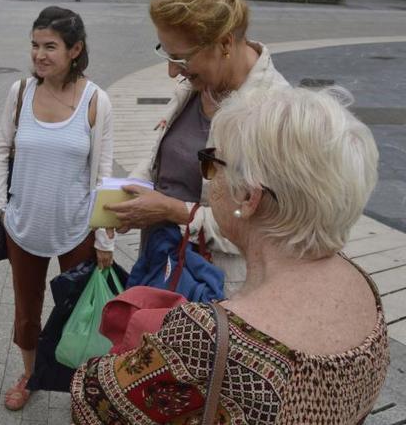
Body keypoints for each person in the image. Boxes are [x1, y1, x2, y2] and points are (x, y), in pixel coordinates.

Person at [72, 86, 389, 423]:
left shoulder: (206, 337)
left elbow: (89, 399)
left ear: (249, 198)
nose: (207, 176)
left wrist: (141, 334)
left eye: (210, 163)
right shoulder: (363, 288)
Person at [105, 0, 288, 295]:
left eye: (180, 59)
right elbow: (162, 159)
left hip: (215, 288)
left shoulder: (274, 114)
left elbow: (262, 228)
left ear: (225, 44)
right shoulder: (199, 84)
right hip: (164, 263)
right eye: (167, 55)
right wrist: (126, 197)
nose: (172, 73)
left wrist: (169, 211)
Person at [0, 6, 114, 411]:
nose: (39, 55)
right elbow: (1, 150)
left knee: (78, 313)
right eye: (34, 45)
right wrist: (1, 208)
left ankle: (80, 384)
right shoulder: (21, 92)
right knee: (27, 313)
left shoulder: (97, 101)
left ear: (75, 49)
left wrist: (105, 237)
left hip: (76, 228)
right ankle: (30, 375)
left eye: (50, 46)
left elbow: (104, 175)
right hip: (23, 227)